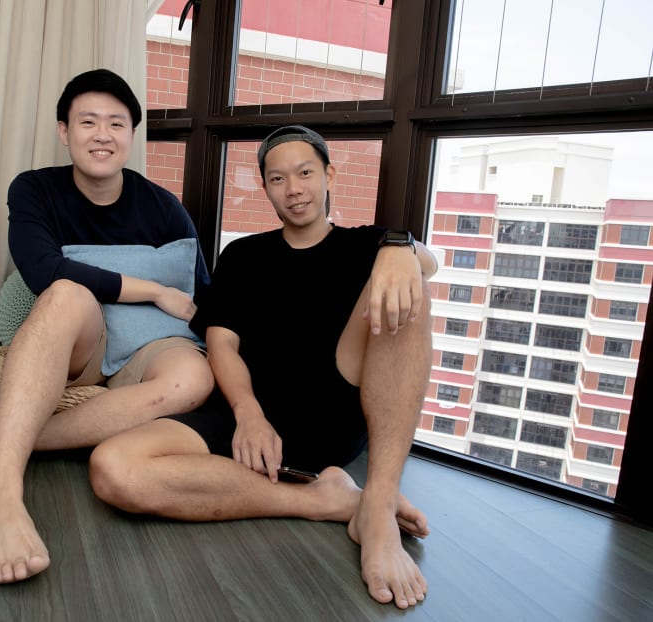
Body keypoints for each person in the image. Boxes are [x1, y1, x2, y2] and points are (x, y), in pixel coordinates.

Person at [88, 125, 438, 609]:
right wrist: (249, 413)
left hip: (334, 407)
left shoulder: (367, 244)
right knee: (112, 469)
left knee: (411, 288)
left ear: (329, 175)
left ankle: (377, 506)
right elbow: (221, 344)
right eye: (277, 179)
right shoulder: (244, 255)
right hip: (243, 415)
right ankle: (324, 499)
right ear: (265, 187)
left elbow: (429, 261)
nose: (294, 189)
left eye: (305, 173)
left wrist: (401, 247)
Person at [0, 69, 214, 589]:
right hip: (86, 342)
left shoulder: (165, 208)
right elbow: (42, 271)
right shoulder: (34, 189)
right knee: (64, 292)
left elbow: (202, 298)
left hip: (150, 349)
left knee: (193, 379)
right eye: (88, 121)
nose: (102, 134)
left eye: (116, 123)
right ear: (65, 131)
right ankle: (1, 491)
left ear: (132, 134)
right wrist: (150, 288)